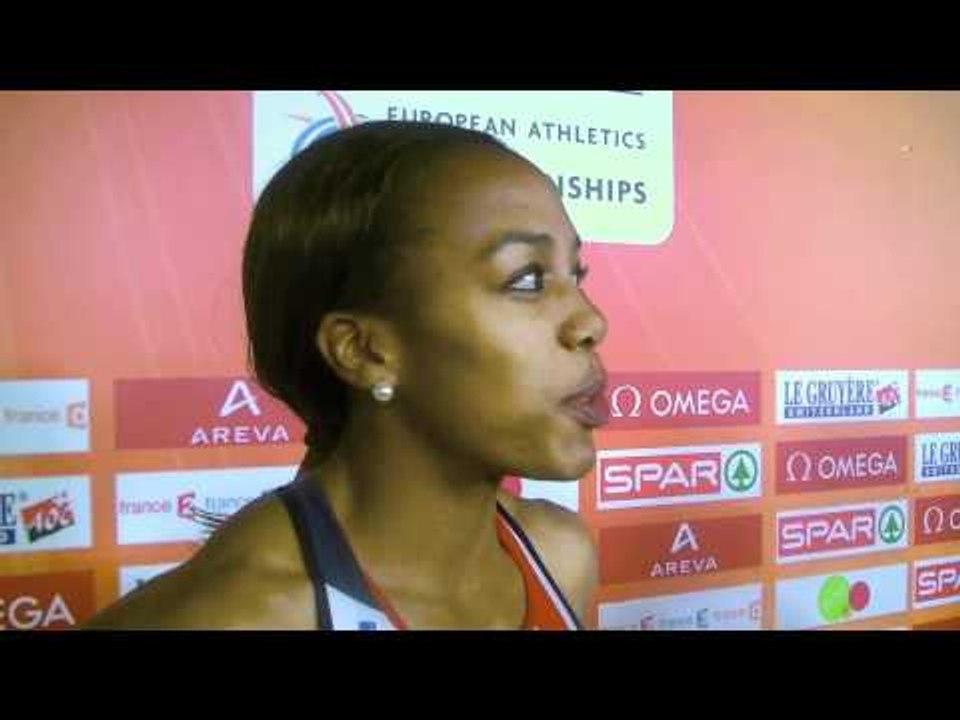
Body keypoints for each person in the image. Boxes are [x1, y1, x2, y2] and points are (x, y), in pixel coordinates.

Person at [86, 120, 609, 630]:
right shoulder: (236, 615)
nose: (591, 322)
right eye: (527, 279)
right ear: (362, 350)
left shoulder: (559, 557)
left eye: (576, 274)